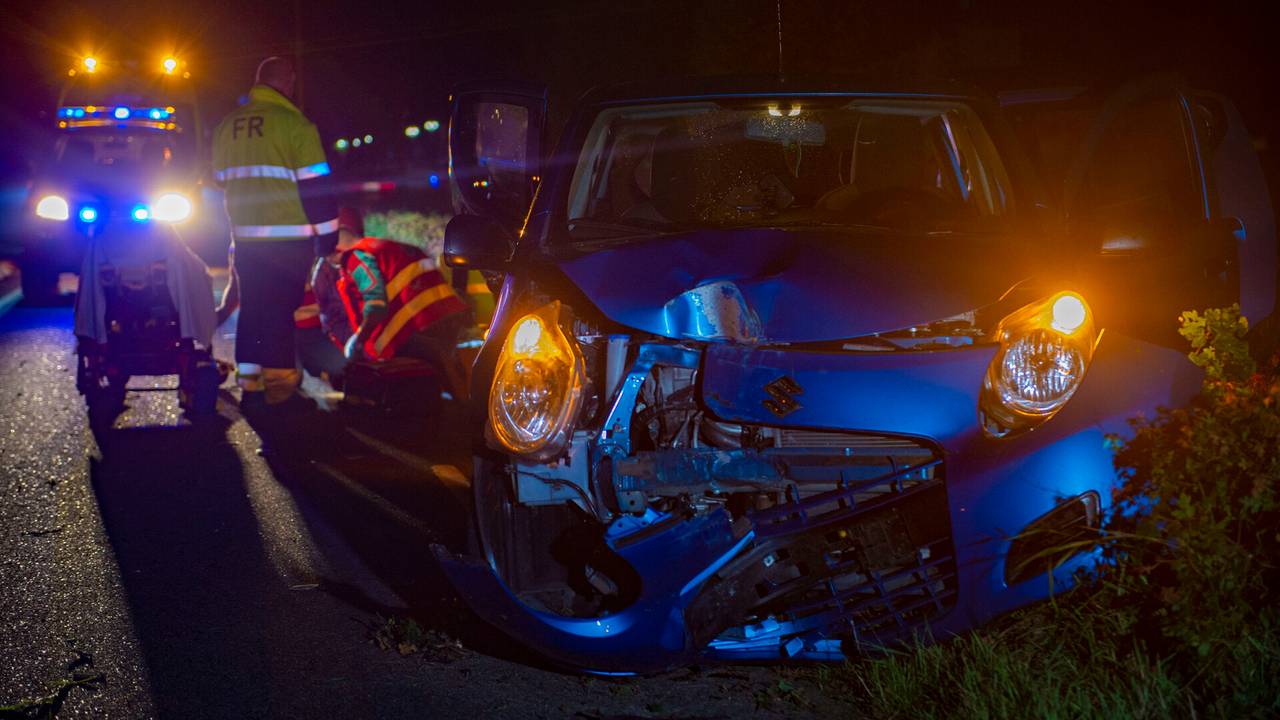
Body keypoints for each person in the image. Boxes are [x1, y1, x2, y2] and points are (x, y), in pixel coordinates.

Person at [211, 55, 338, 410]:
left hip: (246, 240)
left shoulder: (228, 125)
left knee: (252, 308)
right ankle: (280, 389)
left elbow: (220, 178)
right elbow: (317, 188)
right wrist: (327, 237)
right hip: (287, 240)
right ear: (288, 82)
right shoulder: (295, 125)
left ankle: (250, 385)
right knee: (280, 312)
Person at [312, 207, 469, 399]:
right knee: (445, 368)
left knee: (428, 376)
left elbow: (375, 305)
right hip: (443, 310)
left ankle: (461, 411)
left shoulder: (356, 258)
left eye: (329, 259)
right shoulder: (380, 246)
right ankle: (464, 405)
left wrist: (359, 339)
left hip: (421, 320)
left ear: (336, 251)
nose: (332, 264)